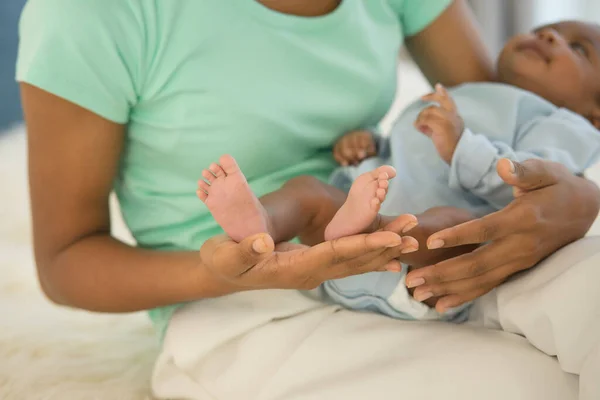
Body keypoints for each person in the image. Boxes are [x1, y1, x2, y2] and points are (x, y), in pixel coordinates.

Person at [16, 0, 600, 397]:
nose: (552, 38)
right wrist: (237, 272)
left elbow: (496, 108)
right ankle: (256, 227)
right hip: (243, 305)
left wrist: (577, 202)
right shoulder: (96, 14)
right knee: (526, 387)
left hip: (401, 236)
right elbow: (67, 260)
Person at [196, 21, 600, 321]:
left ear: (596, 113)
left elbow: (530, 183)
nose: (550, 37)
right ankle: (260, 230)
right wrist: (366, 145)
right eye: (547, 28)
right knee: (308, 191)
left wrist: (463, 146)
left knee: (452, 224)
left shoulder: (567, 124)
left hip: (430, 269)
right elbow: (405, 151)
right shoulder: (463, 92)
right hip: (329, 261)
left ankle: (372, 230)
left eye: (579, 49)